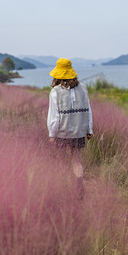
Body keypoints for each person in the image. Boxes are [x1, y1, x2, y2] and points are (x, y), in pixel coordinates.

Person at [47, 58, 93, 199]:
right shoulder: (83, 88)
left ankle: (62, 191)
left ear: (58, 74)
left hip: (62, 132)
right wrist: (89, 129)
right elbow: (88, 110)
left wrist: (52, 134)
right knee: (76, 161)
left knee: (60, 162)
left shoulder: (55, 92)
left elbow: (54, 116)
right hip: (79, 131)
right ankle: (79, 191)